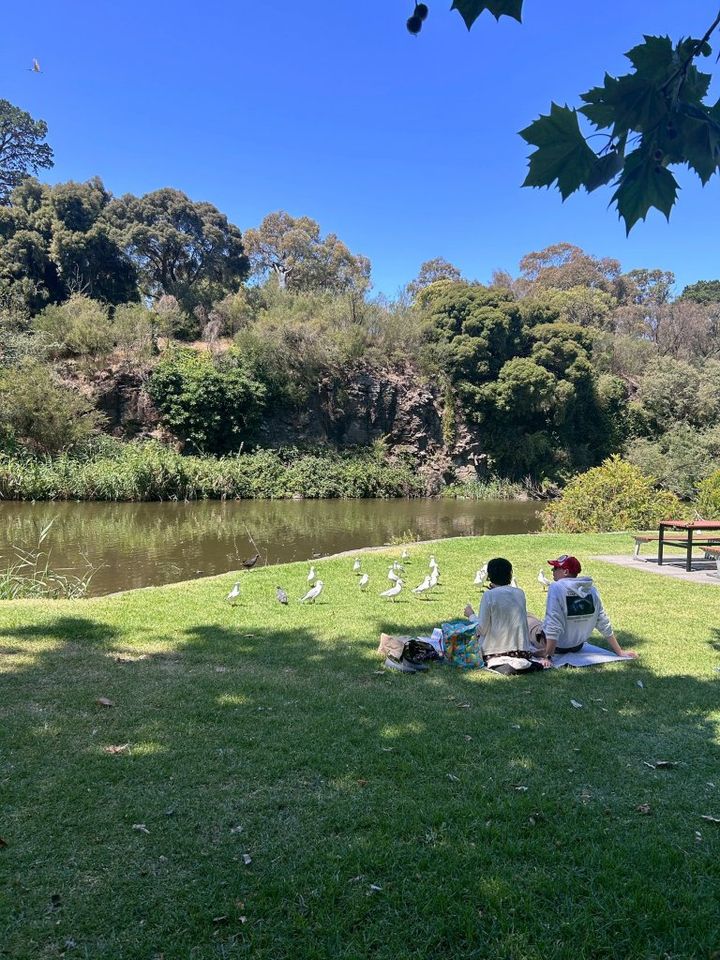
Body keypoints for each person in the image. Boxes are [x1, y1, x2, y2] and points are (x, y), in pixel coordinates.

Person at [541, 554, 637, 660]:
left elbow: (553, 623)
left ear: (565, 572)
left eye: (555, 568)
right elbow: (603, 622)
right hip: (578, 646)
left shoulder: (556, 587)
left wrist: (548, 656)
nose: (552, 571)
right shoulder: (592, 590)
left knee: (530, 620)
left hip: (557, 647)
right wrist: (619, 651)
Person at [465, 557, 546, 675]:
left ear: (490, 575)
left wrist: (471, 615)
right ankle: (521, 664)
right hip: (521, 651)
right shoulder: (519, 593)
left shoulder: (489, 595)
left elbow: (481, 629)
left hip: (494, 651)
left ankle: (503, 666)